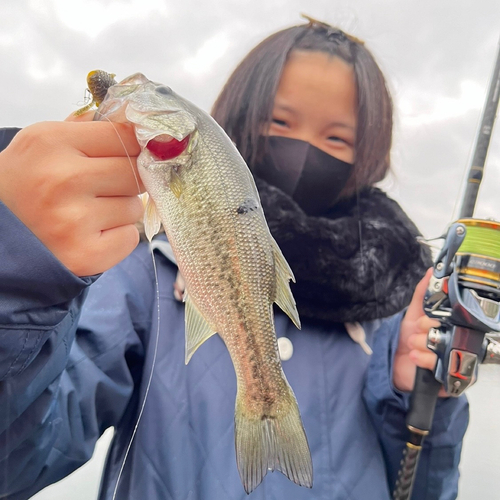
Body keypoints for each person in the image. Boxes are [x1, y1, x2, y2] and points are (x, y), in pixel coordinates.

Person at [0, 18, 468, 500]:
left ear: (367, 154)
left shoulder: (395, 305)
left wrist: (422, 403)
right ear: (239, 120)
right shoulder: (145, 274)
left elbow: (422, 490)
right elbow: (16, 462)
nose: (305, 149)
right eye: (281, 122)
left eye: (336, 139)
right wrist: (19, 271)